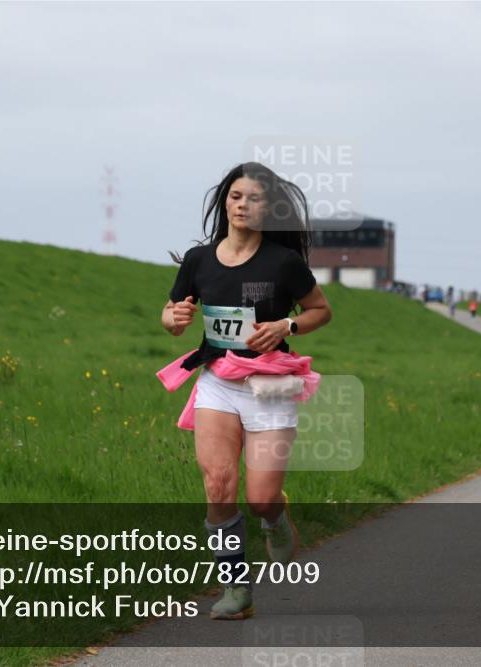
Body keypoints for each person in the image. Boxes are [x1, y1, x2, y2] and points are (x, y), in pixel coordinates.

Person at [160, 162, 332, 619]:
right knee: (218, 485)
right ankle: (236, 589)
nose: (242, 205)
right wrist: (172, 318)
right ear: (225, 202)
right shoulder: (200, 259)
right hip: (217, 379)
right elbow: (174, 310)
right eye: (235, 196)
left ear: (268, 208)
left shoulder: (283, 263)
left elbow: (320, 310)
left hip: (271, 384)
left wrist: (286, 324)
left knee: (259, 496)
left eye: (252, 198)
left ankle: (275, 517)